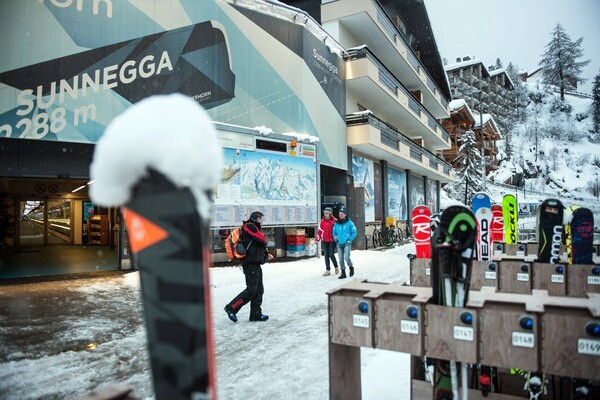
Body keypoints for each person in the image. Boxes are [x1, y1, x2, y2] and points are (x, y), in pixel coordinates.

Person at [224, 211, 273, 322]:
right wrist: (264, 242)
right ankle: (231, 308)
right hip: (250, 264)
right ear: (257, 218)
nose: (263, 221)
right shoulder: (249, 226)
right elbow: (262, 240)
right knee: (251, 290)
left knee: (259, 290)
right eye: (262, 219)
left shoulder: (253, 227)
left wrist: (265, 255)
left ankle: (255, 314)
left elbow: (257, 246)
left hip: (255, 263)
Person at [332, 206, 357, 279]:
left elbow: (354, 232)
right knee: (340, 259)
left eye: (342, 214)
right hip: (339, 243)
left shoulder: (350, 223)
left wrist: (350, 239)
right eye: (339, 214)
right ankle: (343, 272)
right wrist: (335, 238)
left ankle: (351, 267)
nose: (340, 215)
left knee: (346, 258)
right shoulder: (336, 223)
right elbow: (334, 232)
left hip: (347, 243)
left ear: (345, 215)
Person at [316, 207, 339, 276]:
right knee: (326, 255)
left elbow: (338, 230)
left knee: (331, 254)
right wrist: (317, 239)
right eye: (325, 213)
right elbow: (320, 231)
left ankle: (336, 266)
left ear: (330, 214)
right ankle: (328, 270)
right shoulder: (322, 221)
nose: (326, 215)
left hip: (332, 240)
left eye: (327, 213)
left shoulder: (335, 221)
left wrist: (339, 238)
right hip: (325, 240)